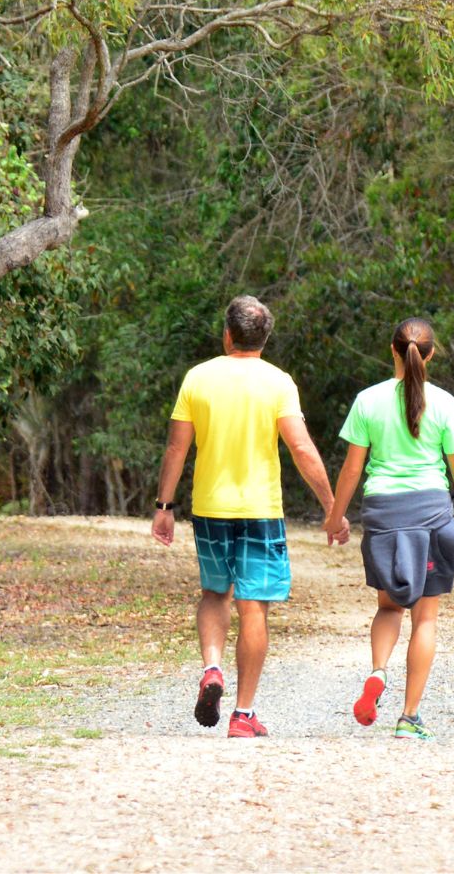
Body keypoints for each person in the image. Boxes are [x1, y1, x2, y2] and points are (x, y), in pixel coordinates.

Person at [152, 296, 338, 738]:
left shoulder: (198, 378)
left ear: (227, 334)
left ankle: (212, 668)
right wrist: (332, 506)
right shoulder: (279, 382)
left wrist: (163, 507)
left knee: (215, 594)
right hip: (260, 511)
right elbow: (301, 448)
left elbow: (177, 448)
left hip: (210, 508)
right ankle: (243, 714)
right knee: (253, 607)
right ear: (264, 338)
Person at [324, 317, 454, 740]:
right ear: (430, 354)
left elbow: (352, 468)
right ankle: (409, 718)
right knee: (426, 619)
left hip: (382, 514)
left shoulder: (367, 401)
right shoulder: (446, 403)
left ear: (392, 350)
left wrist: (336, 515)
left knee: (387, 607)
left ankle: (378, 672)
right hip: (432, 515)